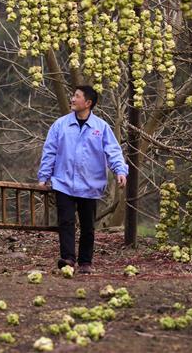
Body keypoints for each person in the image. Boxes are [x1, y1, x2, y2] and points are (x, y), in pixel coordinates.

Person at [37, 85, 128, 275]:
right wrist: (44, 176)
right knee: (66, 222)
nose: (72, 99)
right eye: (72, 95)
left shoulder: (101, 127)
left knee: (87, 226)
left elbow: (113, 151)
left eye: (77, 96)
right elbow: (49, 151)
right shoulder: (60, 125)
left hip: (90, 184)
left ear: (88, 103)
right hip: (64, 182)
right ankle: (68, 258)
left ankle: (85, 261)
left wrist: (120, 170)